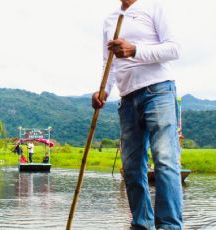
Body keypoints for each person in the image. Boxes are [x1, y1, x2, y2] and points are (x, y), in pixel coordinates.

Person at [93, 0, 183, 229]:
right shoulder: (110, 20)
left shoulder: (153, 6)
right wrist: (104, 89)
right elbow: (110, 64)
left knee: (165, 161)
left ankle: (170, 226)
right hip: (127, 98)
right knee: (132, 168)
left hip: (158, 91)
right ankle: (141, 224)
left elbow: (174, 49)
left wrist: (135, 50)